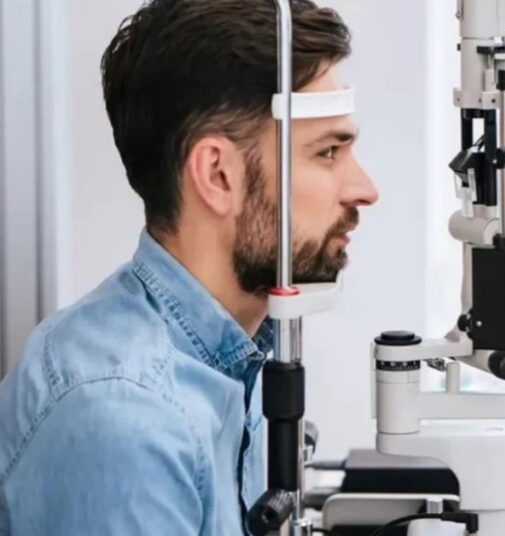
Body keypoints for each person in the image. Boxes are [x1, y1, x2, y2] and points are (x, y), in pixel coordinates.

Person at [0, 1, 377, 534]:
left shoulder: (224, 360)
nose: (365, 189)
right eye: (328, 153)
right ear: (218, 176)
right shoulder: (125, 419)